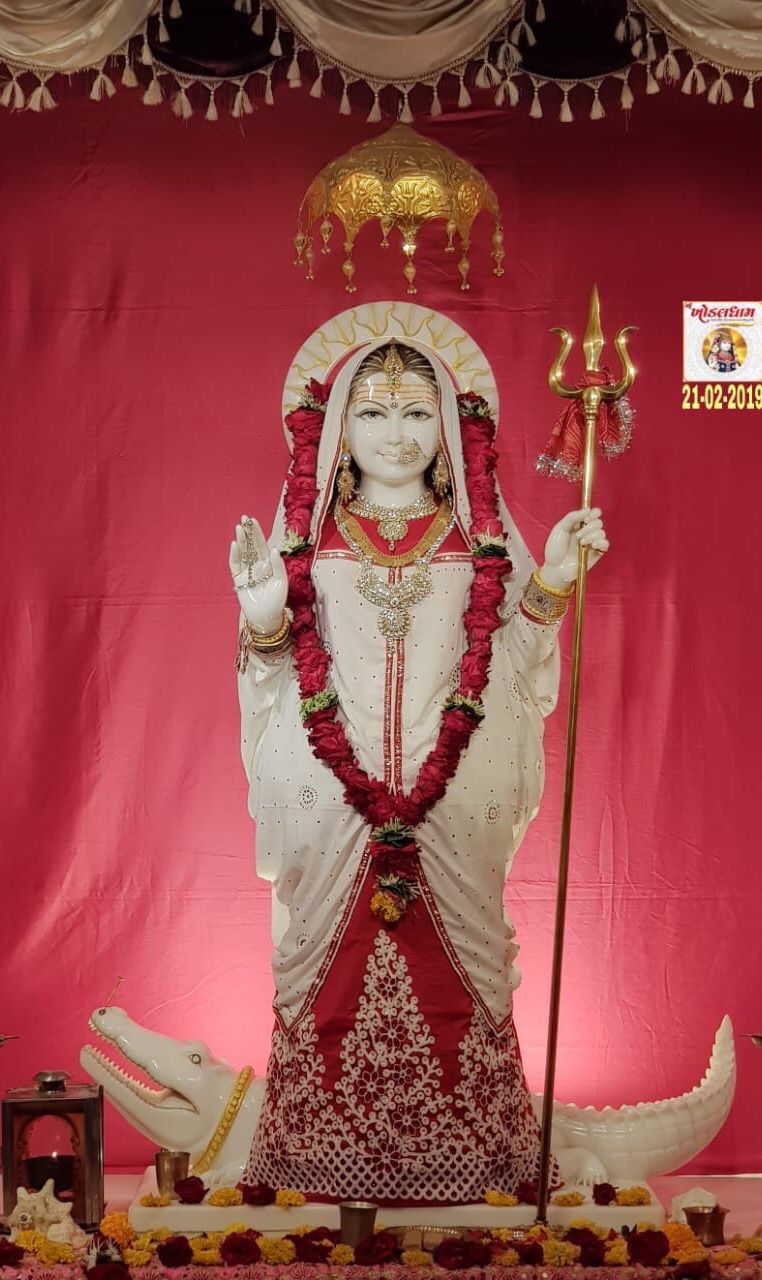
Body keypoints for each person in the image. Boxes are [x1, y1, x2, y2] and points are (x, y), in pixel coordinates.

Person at [228, 336, 608, 1206]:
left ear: (449, 429)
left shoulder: (477, 543)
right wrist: (261, 621)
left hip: (456, 788)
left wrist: (548, 582)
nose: (395, 434)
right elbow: (276, 672)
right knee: (320, 957)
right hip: (328, 794)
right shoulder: (307, 542)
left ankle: (477, 1163)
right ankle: (315, 1166)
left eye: (414, 412)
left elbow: (510, 658)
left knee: (464, 964)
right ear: (335, 431)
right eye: (371, 412)